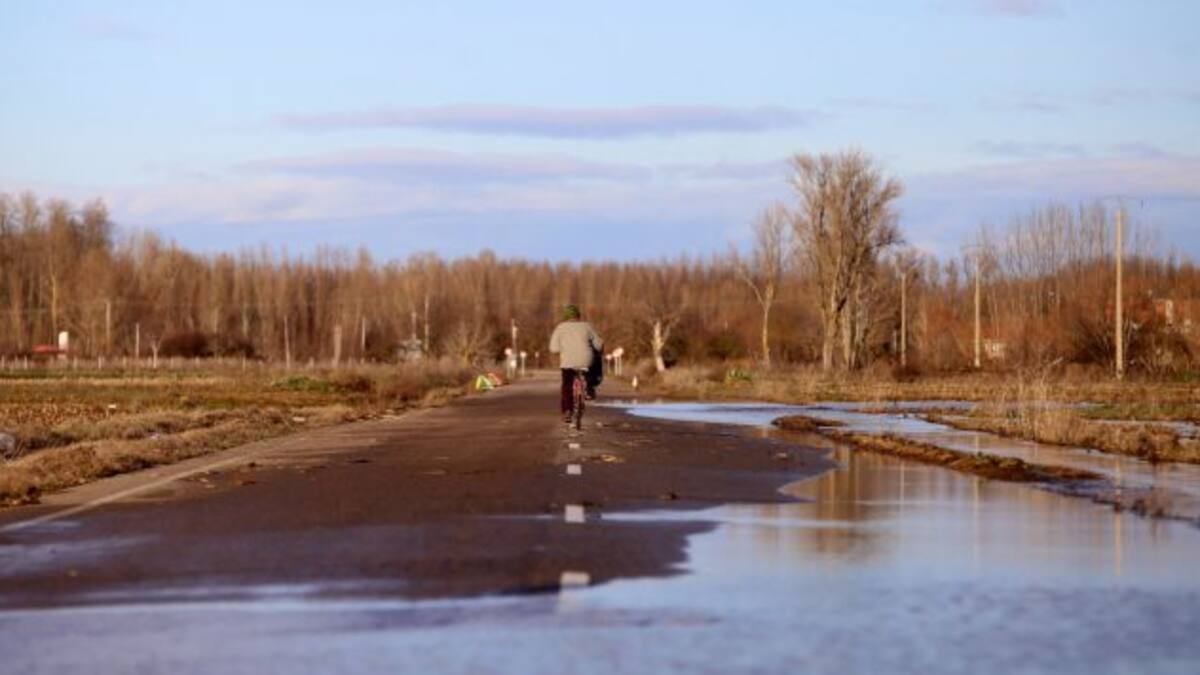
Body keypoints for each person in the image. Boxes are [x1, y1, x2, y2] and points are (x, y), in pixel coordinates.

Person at [548, 304, 603, 423]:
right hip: (586, 360)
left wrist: (564, 348)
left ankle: (567, 410)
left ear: (565, 316)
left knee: (567, 385)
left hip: (568, 362)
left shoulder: (560, 328)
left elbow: (553, 348)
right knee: (595, 359)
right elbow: (599, 345)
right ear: (578, 316)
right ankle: (589, 388)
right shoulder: (587, 326)